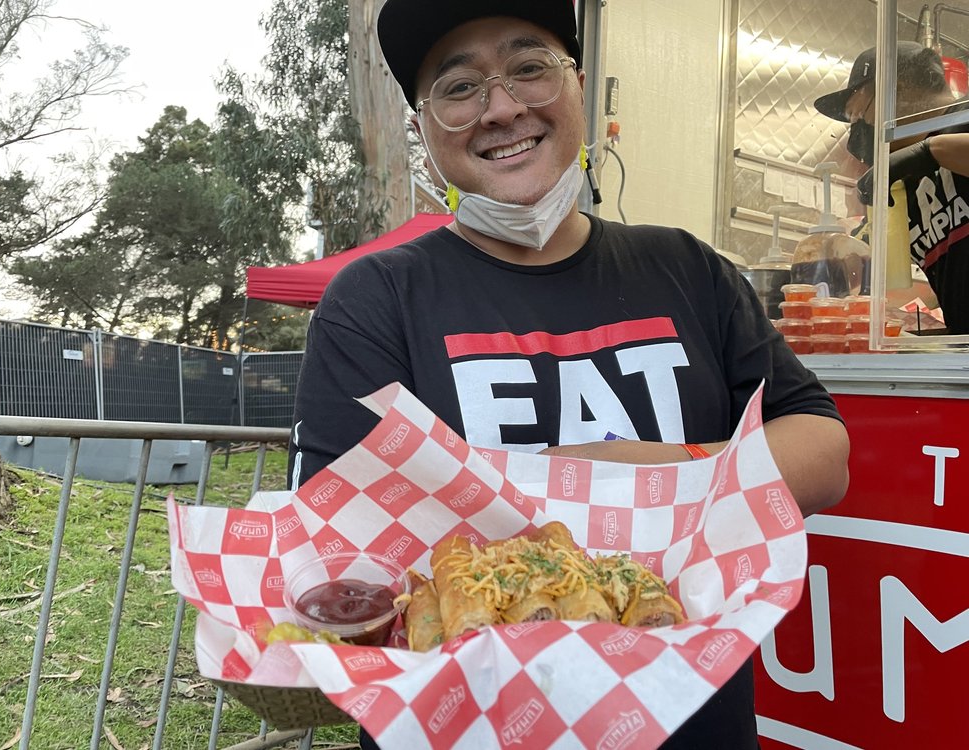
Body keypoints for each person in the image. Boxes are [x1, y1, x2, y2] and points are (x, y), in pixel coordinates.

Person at [289, 1, 850, 747]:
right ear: (423, 129)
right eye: (460, 88)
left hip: (692, 722)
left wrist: (654, 467)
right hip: (466, 725)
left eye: (529, 68)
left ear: (579, 86)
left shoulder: (686, 267)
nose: (501, 108)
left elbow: (824, 453)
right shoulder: (374, 299)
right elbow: (337, 542)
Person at [815, 41, 969, 334]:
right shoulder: (906, 182)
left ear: (898, 89)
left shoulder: (963, 117)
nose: (859, 130)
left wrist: (928, 152)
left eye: (859, 113)